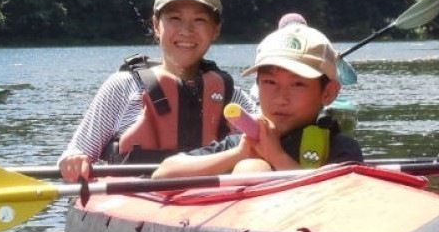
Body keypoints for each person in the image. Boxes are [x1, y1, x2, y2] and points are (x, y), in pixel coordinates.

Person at [58, 0, 256, 183]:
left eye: (199, 20)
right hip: (133, 204)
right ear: (155, 24)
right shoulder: (123, 86)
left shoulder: (232, 97)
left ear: (216, 29)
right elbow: (77, 151)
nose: (186, 30)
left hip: (211, 205)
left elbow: (267, 137)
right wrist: (74, 160)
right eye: (174, 18)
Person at [152, 23, 363, 178]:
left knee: (254, 169)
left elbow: (334, 198)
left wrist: (276, 156)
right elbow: (163, 173)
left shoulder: (341, 148)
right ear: (257, 86)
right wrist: (238, 154)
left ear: (328, 93)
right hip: (241, 229)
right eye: (270, 82)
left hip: (301, 228)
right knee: (250, 166)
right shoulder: (243, 143)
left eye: (298, 84)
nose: (281, 98)